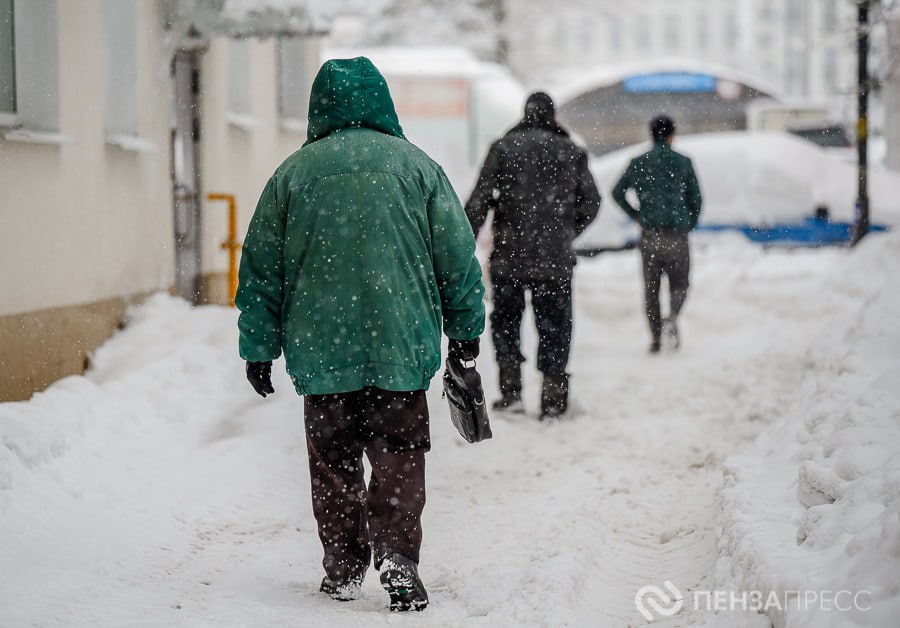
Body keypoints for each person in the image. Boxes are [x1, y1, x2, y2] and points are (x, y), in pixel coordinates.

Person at [235, 57, 485, 612]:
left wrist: (259, 348)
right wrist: (465, 332)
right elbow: (457, 257)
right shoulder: (417, 168)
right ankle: (397, 555)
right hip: (400, 347)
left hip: (323, 351)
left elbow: (260, 270)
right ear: (382, 102)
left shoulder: (292, 175)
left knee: (333, 461)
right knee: (400, 454)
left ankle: (344, 567)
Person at [465, 92, 601, 420]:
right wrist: (566, 232)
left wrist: (464, 241)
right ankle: (553, 398)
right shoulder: (571, 150)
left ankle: (511, 391)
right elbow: (591, 201)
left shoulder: (503, 148)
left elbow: (479, 200)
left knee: (506, 322)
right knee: (556, 325)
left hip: (509, 256)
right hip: (554, 260)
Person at [611, 115, 703, 353]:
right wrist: (689, 222)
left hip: (650, 235)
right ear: (672, 136)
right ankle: (672, 316)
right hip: (677, 235)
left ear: (651, 134)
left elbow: (617, 192)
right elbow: (696, 199)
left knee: (651, 289)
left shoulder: (638, 162)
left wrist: (636, 215)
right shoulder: (683, 162)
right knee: (680, 284)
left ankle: (655, 337)